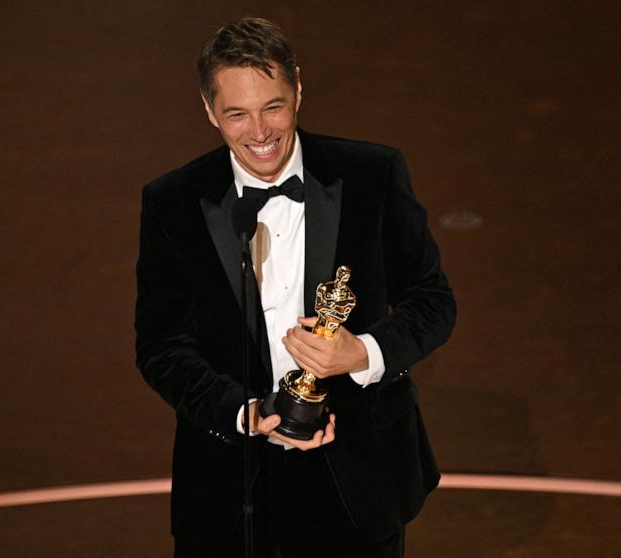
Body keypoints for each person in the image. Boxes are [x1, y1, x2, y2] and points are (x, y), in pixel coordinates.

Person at [135, 17, 456, 558]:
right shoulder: (172, 202)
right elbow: (161, 347)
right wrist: (247, 412)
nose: (259, 132)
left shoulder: (372, 176)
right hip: (230, 486)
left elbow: (433, 301)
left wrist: (363, 352)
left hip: (357, 481)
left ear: (299, 89)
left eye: (273, 106)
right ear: (209, 109)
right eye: (236, 113)